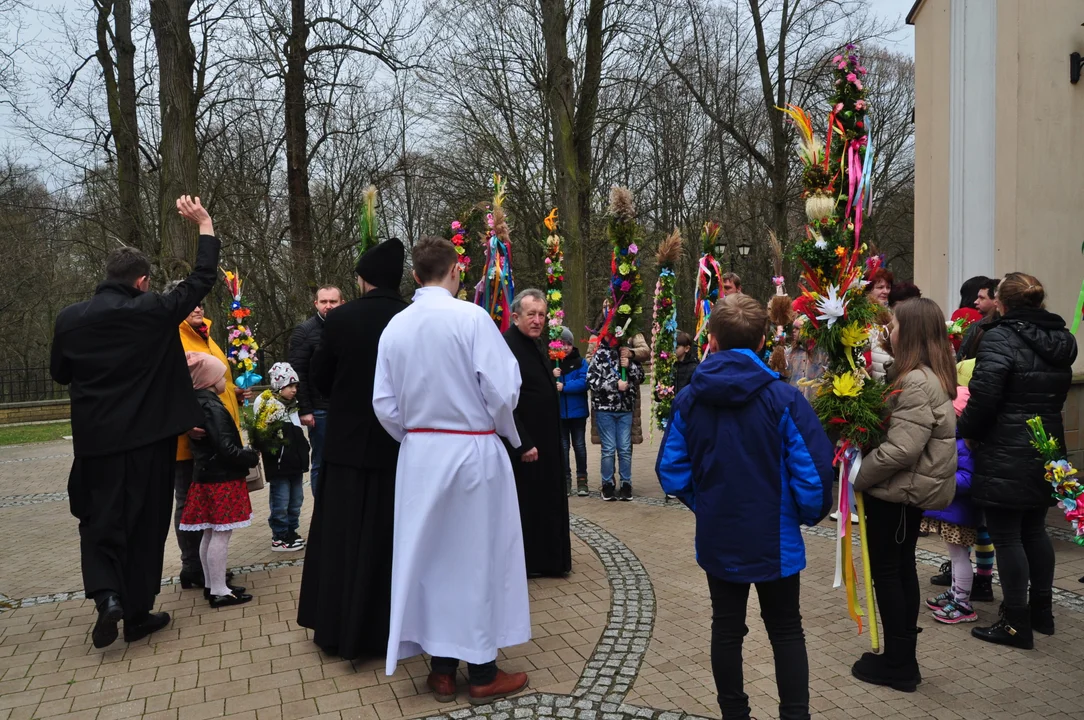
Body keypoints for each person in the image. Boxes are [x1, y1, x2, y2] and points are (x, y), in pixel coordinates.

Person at [50, 195, 219, 648]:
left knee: (99, 522)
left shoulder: (70, 320)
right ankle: (138, 613)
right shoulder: (153, 311)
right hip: (148, 444)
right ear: (142, 281)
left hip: (95, 446)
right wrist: (203, 225)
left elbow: (60, 373)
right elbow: (202, 279)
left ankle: (106, 597)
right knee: (145, 525)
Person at [656, 293, 834, 720]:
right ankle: (795, 715)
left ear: (711, 340)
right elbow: (814, 475)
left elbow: (672, 469)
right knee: (786, 630)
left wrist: (705, 503)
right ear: (760, 342)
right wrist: (804, 513)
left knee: (727, 628)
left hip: (720, 534)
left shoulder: (689, 400)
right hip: (775, 538)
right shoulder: (785, 400)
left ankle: (734, 714)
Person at [373, 236, 530, 705]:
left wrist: (418, 437)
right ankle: (481, 672)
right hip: (472, 454)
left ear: (416, 276)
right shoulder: (471, 318)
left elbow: (383, 404)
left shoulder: (396, 327)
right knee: (476, 559)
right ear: (457, 270)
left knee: (432, 561)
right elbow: (503, 391)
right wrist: (503, 431)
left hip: (421, 457)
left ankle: (441, 670)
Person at [297, 240, 408, 659]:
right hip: (397, 444)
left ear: (362, 280)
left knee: (344, 536)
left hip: (347, 444)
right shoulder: (409, 317)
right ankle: (390, 627)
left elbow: (321, 376)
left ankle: (340, 626)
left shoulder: (341, 318)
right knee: (390, 534)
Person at [959, 273, 1077, 648]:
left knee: (1007, 535)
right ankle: (1042, 612)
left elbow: (985, 396)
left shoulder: (1000, 337)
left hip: (1006, 446)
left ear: (1003, 303)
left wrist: (966, 431)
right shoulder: (1061, 340)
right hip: (1046, 447)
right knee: (1034, 529)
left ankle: (1015, 622)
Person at [851, 298, 958, 692]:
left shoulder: (915, 381)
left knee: (890, 573)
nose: (888, 331)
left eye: (893, 325)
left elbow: (902, 449)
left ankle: (900, 664)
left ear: (909, 332)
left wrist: (858, 476)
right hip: (904, 491)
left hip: (897, 493)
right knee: (900, 569)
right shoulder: (921, 375)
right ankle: (900, 656)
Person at [169, 287, 247, 592]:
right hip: (192, 438)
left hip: (217, 432)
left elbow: (214, 378)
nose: (197, 308)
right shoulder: (172, 335)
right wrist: (185, 423)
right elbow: (171, 385)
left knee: (210, 505)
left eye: (200, 302)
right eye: (191, 303)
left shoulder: (206, 335)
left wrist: (232, 394)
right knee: (189, 504)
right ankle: (193, 565)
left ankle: (209, 568)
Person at [179, 352, 259, 608]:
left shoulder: (197, 402)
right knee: (221, 533)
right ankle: (219, 590)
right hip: (221, 479)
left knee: (210, 531)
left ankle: (213, 584)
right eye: (222, 375)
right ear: (211, 379)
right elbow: (225, 447)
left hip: (205, 475)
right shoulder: (212, 406)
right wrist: (250, 456)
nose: (226, 380)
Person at [504, 289, 572, 577]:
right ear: (516, 315)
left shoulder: (536, 344)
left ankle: (551, 559)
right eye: (531, 314)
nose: (537, 320)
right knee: (528, 506)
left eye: (542, 315)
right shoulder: (506, 346)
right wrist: (523, 442)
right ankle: (532, 562)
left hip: (547, 442)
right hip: (526, 446)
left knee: (548, 501)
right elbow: (503, 401)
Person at [922, 386, 980, 624]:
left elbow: (967, 479)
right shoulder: (955, 439)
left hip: (958, 509)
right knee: (956, 555)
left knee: (959, 557)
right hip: (952, 508)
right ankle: (957, 593)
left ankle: (963, 603)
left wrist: (941, 480)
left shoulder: (964, 444)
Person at [289, 285, 344, 499]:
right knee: (321, 462)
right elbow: (298, 372)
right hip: (319, 410)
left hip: (345, 407)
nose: (328, 306)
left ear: (342, 303)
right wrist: (305, 409)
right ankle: (322, 511)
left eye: (333, 301)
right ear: (316, 304)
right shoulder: (305, 331)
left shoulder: (348, 327)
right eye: (324, 302)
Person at [252, 363, 310, 552]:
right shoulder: (268, 404)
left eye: (296, 386)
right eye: (290, 386)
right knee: (281, 500)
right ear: (279, 386)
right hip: (279, 464)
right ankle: (279, 535)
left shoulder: (292, 407)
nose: (294, 390)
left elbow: (297, 433)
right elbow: (262, 434)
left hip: (295, 463)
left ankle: (291, 531)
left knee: (296, 500)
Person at [588, 336, 645, 501]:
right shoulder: (600, 354)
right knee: (608, 448)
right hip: (605, 409)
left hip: (625, 408)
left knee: (625, 448)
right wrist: (614, 385)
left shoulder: (626, 353)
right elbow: (591, 380)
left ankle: (626, 483)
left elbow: (639, 377)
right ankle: (607, 484)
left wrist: (630, 365)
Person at [556, 327, 590, 497]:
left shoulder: (581, 362)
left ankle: (582, 480)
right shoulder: (554, 363)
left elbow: (584, 382)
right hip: (560, 413)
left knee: (579, 446)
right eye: (562, 344)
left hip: (578, 412)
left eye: (568, 344)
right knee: (563, 447)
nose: (565, 347)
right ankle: (566, 479)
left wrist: (565, 387)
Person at [956, 277, 1000, 362]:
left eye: (981, 298)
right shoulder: (976, 326)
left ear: (995, 300)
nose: (976, 301)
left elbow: (960, 358)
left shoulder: (977, 327)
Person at [865, 265, 894, 381]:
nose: (885, 291)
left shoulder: (891, 313)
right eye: (880, 287)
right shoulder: (861, 314)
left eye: (888, 287)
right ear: (869, 289)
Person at [673, 331, 699, 396]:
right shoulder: (668, 366)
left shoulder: (694, 368)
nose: (673, 350)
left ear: (687, 348)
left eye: (676, 347)